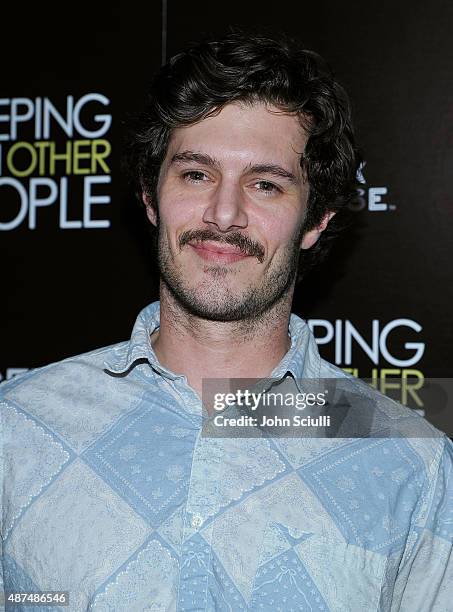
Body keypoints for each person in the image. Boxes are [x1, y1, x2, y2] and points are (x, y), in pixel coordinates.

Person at [1, 30, 452, 612]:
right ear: (149, 197)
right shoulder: (17, 428)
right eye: (195, 174)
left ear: (314, 222)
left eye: (265, 184)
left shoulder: (408, 462)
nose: (224, 213)